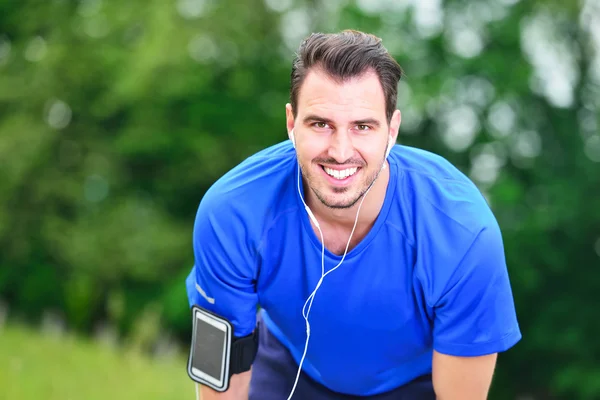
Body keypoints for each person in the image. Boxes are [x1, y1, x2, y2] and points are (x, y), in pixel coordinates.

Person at [185, 29, 521, 400]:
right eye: (320, 124)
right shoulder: (231, 213)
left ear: (392, 131)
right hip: (286, 365)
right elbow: (222, 382)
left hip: (414, 384)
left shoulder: (463, 234)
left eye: (362, 126)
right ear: (291, 123)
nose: (340, 151)